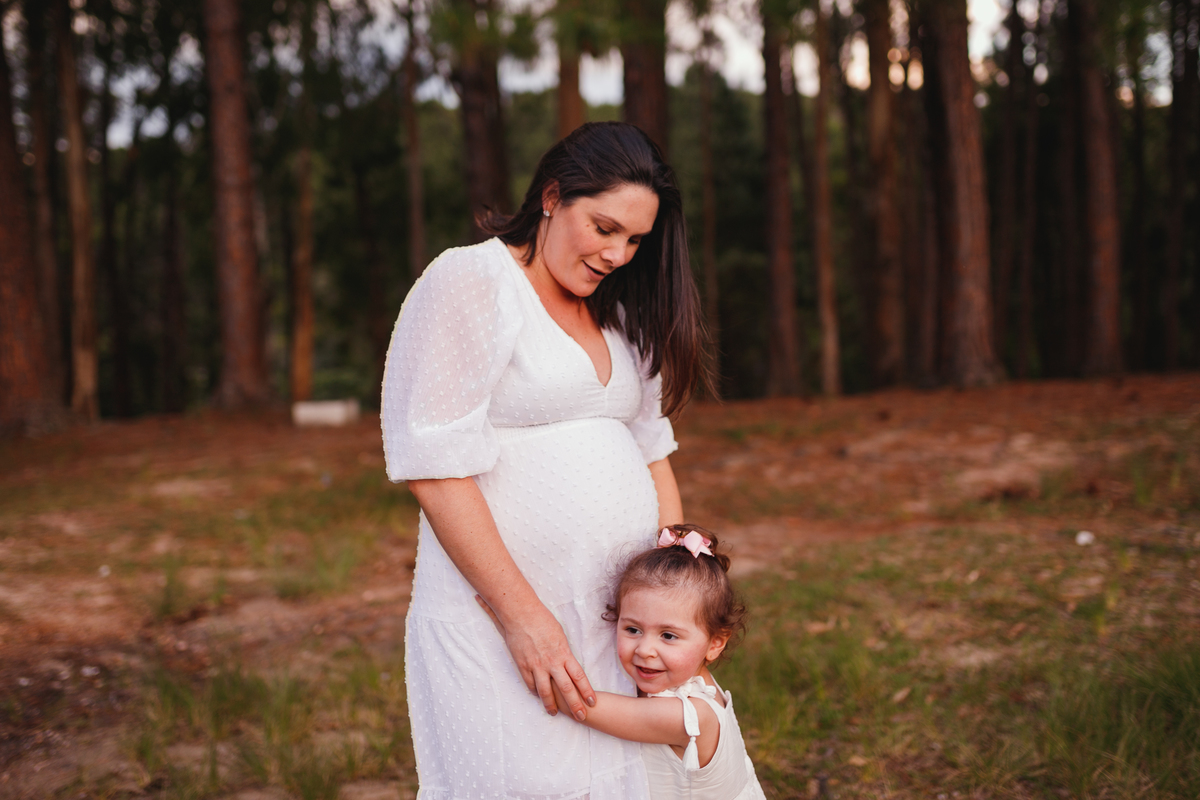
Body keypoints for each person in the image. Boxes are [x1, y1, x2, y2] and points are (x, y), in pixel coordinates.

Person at [380, 122, 708, 799]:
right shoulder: (473, 280)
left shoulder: (619, 311)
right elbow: (434, 466)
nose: (619, 253)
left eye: (636, 240)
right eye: (605, 227)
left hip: (618, 625)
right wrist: (523, 617)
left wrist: (677, 601)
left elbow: (654, 455)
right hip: (500, 619)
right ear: (553, 197)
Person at [478, 524, 766, 800]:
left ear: (715, 643)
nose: (645, 650)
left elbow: (579, 706)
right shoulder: (697, 679)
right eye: (632, 629)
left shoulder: (686, 718)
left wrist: (512, 625)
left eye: (668, 635)